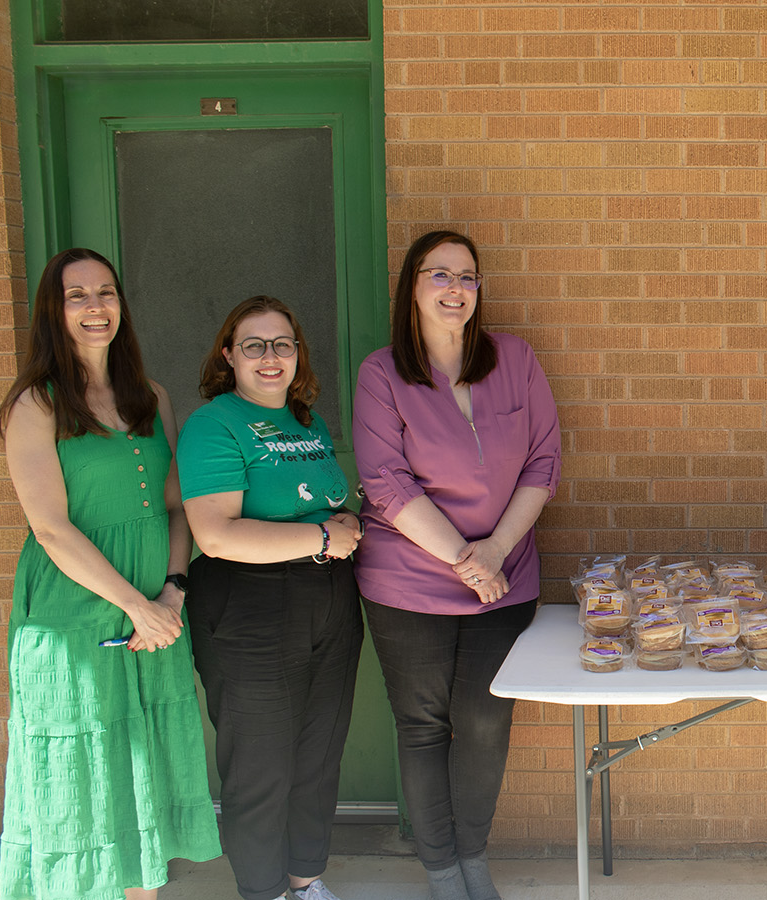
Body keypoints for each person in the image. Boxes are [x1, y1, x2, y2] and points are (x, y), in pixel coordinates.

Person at [0, 248, 220, 900]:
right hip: (75, 613)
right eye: (77, 295)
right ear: (53, 311)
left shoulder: (152, 397)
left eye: (105, 292)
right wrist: (136, 605)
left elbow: (178, 504)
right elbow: (51, 528)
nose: (96, 306)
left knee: (140, 767)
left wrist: (172, 593)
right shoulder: (35, 404)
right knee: (84, 780)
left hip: (154, 609)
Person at [351, 230, 561, 900]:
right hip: (407, 583)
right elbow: (385, 483)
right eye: (437, 274)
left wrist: (496, 552)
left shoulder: (518, 361)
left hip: (506, 576)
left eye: (466, 276)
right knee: (421, 726)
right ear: (412, 288)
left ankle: (472, 856)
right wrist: (466, 562)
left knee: (485, 722)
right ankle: (442, 872)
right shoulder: (382, 374)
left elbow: (543, 462)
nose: (454, 288)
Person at [178, 296, 364, 900]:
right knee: (261, 766)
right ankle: (264, 892)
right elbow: (214, 534)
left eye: (283, 344)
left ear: (297, 354)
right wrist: (320, 534)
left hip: (329, 597)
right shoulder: (214, 423)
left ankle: (306, 882)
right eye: (253, 345)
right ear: (228, 355)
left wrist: (346, 523)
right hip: (249, 605)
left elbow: (322, 500)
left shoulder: (308, 421)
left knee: (317, 753)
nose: (270, 357)